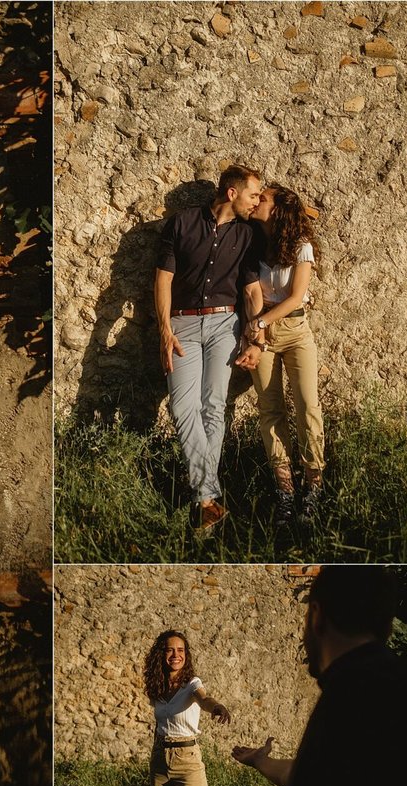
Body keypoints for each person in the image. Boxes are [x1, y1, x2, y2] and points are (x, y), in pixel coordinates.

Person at [232, 566, 407, 786]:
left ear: (316, 616)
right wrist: (261, 760)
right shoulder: (393, 684)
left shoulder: (355, 692)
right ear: (388, 628)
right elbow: (320, 778)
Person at [154, 165, 264, 533]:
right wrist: (165, 330)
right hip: (182, 324)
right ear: (232, 193)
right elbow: (163, 279)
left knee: (213, 406)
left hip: (224, 325)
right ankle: (210, 495)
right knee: (183, 406)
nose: (258, 201)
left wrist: (257, 336)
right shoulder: (181, 223)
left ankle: (204, 501)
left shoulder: (248, 235)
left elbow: (250, 290)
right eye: (253, 195)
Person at [233, 183, 324, 526]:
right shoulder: (253, 242)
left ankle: (314, 485)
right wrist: (252, 334)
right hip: (261, 334)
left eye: (263, 198)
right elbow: (248, 292)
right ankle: (285, 491)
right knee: (270, 410)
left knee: (307, 406)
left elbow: (296, 297)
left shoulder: (302, 246)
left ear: (279, 209)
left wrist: (260, 322)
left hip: (295, 331)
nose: (256, 201)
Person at [145, 629, 232, 786]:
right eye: (170, 650)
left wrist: (217, 707)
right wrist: (156, 751)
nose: (176, 655)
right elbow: (159, 724)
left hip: (187, 760)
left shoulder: (192, 683)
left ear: (186, 654)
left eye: (181, 650)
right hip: (160, 759)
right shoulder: (157, 686)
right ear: (161, 654)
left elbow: (204, 699)